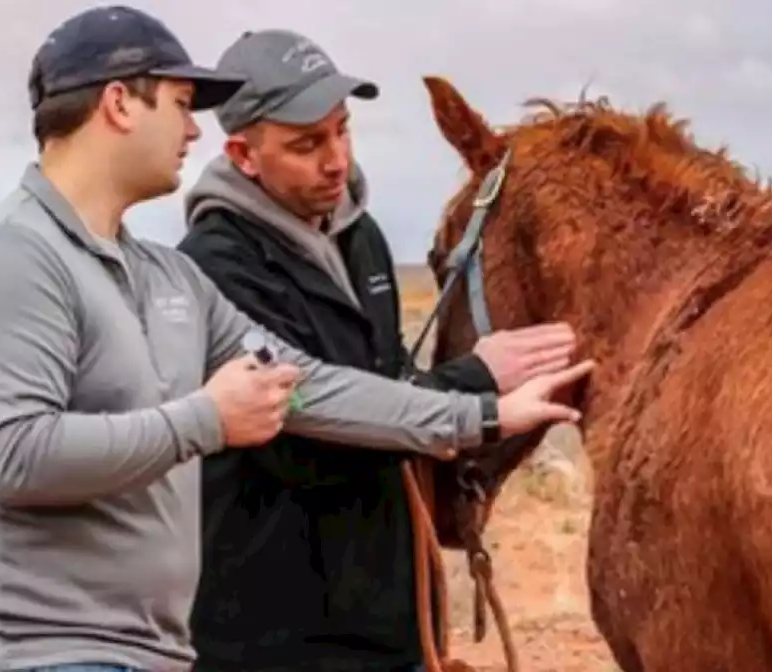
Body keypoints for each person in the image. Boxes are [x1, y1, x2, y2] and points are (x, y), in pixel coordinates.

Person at [0, 7, 594, 672]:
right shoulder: (10, 256)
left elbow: (305, 386)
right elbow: (14, 457)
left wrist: (481, 413)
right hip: (34, 658)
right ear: (119, 104)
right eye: (184, 105)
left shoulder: (170, 278)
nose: (195, 130)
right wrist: (205, 420)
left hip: (150, 655)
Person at [174, 29, 580, 672]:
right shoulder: (218, 267)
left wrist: (461, 381)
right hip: (274, 633)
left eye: (342, 130)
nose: (336, 159)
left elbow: (385, 378)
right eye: (307, 144)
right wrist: (476, 382)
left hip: (385, 617)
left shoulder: (359, 238)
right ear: (243, 155)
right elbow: (308, 434)